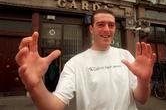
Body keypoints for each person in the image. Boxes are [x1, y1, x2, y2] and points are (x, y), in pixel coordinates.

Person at [15, 9, 156, 110]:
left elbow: (142, 99)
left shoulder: (125, 56)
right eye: (101, 24)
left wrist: (144, 81)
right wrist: (35, 86)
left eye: (111, 25)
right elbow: (54, 105)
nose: (107, 30)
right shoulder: (75, 63)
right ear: (91, 29)